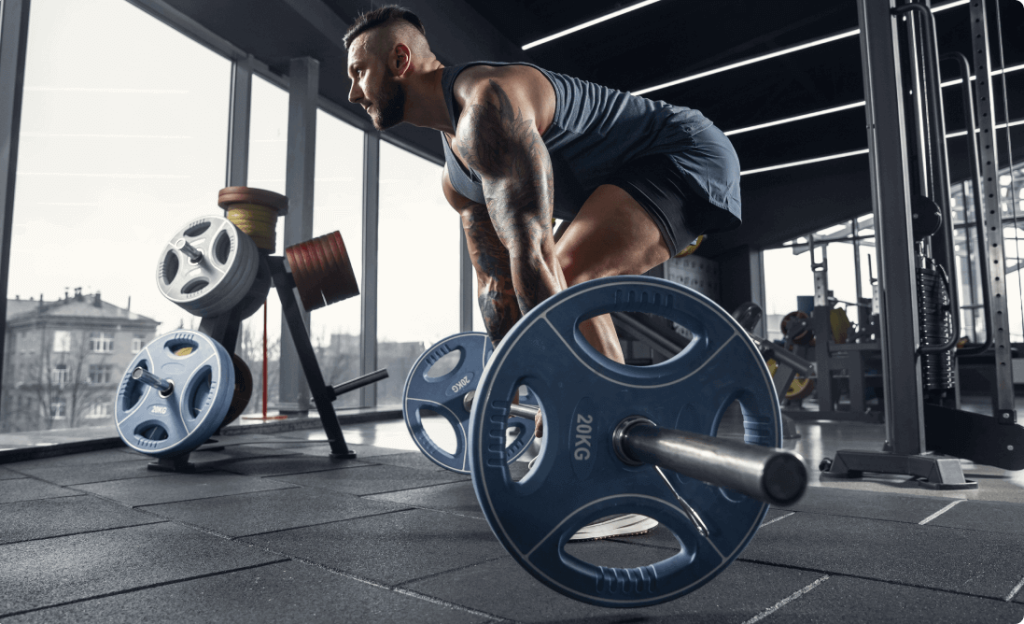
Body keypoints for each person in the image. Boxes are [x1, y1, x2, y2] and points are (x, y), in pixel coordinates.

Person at [344, 6, 741, 541]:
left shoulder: (488, 103)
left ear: (400, 59)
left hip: (685, 153)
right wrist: (520, 383)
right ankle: (614, 436)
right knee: (557, 284)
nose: (352, 92)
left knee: (566, 279)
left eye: (357, 72)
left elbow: (532, 253)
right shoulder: (456, 178)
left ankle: (625, 472)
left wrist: (558, 393)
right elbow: (497, 287)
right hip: (625, 177)